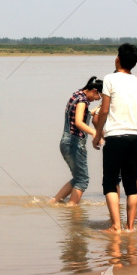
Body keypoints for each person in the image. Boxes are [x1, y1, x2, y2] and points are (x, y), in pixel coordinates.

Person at [93, 44, 137, 231]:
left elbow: (105, 110)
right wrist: (134, 130)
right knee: (130, 183)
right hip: (134, 136)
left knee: (109, 181)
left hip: (114, 137)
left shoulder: (110, 79)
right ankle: (130, 227)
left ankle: (116, 226)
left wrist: (98, 134)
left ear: (118, 59)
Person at [49, 76, 103, 207]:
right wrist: (95, 133)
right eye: (98, 97)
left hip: (66, 142)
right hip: (75, 143)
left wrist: (93, 111)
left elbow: (77, 115)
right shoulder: (83, 101)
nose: (97, 99)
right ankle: (72, 208)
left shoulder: (77, 95)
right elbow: (79, 122)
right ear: (95, 90)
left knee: (77, 178)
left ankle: (53, 202)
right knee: (83, 180)